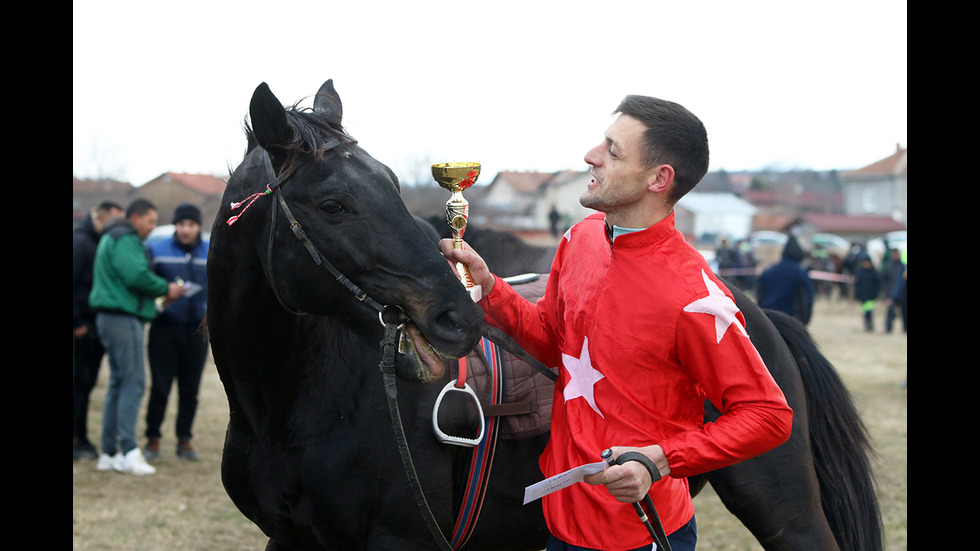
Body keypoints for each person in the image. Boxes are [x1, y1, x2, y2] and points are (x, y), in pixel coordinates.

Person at [441, 96, 792, 551]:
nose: (591, 155)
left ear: (658, 178)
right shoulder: (580, 236)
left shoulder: (696, 298)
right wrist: (491, 288)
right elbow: (552, 342)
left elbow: (768, 416)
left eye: (613, 150)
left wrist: (661, 460)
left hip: (638, 533)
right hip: (560, 522)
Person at [89, 198, 185, 475]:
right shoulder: (126, 238)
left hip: (111, 316)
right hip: (121, 318)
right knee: (134, 381)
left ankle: (109, 452)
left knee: (118, 383)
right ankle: (129, 450)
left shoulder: (111, 236)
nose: (152, 228)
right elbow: (136, 275)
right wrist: (166, 288)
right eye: (150, 221)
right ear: (135, 218)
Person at [144, 204, 209, 462]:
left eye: (191, 225)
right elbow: (145, 283)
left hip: (196, 331)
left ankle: (185, 440)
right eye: (181, 224)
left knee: (190, 389)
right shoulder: (156, 251)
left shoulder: (210, 251)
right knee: (160, 387)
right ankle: (152, 440)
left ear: (198, 227)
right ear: (175, 225)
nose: (185, 230)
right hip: (164, 329)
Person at [73, 200, 124, 460]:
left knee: (86, 386)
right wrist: (77, 324)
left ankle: (81, 438)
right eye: (115, 220)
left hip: (94, 327)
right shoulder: (81, 243)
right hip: (81, 328)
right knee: (78, 385)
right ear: (100, 217)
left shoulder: (99, 242)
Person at [755, 235, 814, 325]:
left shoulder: (767, 272)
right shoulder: (800, 274)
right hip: (790, 323)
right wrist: (802, 325)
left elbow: (759, 297)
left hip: (768, 322)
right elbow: (806, 302)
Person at [852, 253, 881, 332]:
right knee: (864, 311)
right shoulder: (859, 272)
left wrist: (875, 293)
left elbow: (877, 284)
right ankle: (866, 324)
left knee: (869, 311)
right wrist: (857, 294)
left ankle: (870, 324)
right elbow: (857, 284)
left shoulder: (873, 272)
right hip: (862, 296)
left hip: (870, 296)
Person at [880, 247, 906, 333]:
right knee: (890, 312)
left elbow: (900, 282)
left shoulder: (902, 266)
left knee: (904, 311)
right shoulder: (888, 265)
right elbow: (884, 279)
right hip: (891, 292)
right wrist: (887, 292)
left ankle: (905, 328)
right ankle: (888, 328)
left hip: (903, 293)